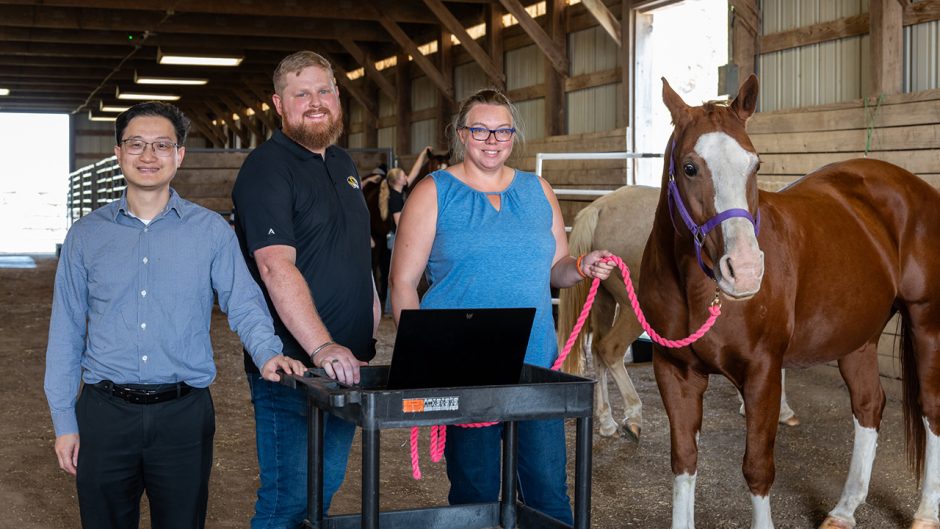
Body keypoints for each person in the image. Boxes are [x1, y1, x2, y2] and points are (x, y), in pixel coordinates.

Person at [43, 101, 305, 529]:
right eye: (137, 144)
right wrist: (64, 421)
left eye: (162, 145)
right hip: (104, 415)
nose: (149, 156)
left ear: (179, 155)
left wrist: (267, 352)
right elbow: (67, 331)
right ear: (118, 153)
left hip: (183, 415)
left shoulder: (211, 232)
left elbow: (243, 301)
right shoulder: (86, 236)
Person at [389, 88, 615, 524]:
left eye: (502, 130)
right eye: (481, 130)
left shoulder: (538, 190)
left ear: (514, 135)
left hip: (535, 361)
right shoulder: (434, 192)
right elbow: (402, 283)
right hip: (465, 367)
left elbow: (556, 269)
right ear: (461, 134)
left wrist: (581, 266)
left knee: (548, 491)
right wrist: (426, 355)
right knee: (476, 493)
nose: (492, 139)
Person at [231, 51, 380, 528]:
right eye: (301, 94)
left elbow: (358, 253)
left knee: (320, 496)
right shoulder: (267, 168)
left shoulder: (343, 163)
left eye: (324, 91)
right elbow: (276, 267)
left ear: (337, 98)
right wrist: (323, 345)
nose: (315, 102)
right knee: (288, 500)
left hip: (346, 365)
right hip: (294, 368)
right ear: (279, 103)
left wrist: (369, 321)